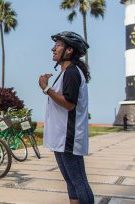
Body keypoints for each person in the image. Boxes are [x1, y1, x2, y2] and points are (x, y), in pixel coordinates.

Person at [39, 31, 94, 204]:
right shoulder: (66, 73)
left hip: (68, 137)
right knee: (71, 182)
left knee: (79, 182)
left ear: (69, 50)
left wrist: (46, 89)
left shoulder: (71, 73)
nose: (53, 48)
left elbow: (69, 104)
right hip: (61, 138)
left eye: (58, 45)